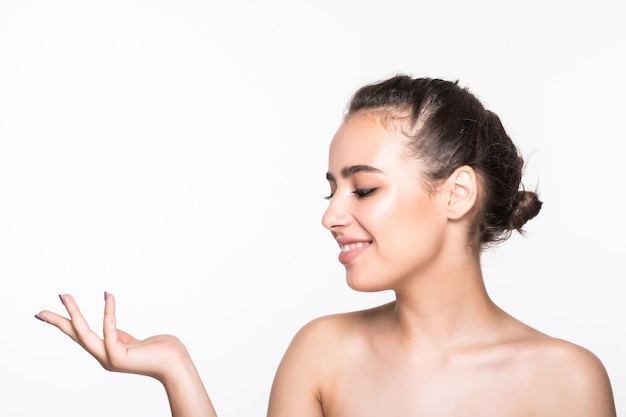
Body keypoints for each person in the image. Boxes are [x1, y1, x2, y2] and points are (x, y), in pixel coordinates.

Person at [35, 75, 616, 416]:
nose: (333, 215)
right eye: (332, 189)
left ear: (457, 193)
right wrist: (175, 369)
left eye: (363, 188)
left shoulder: (568, 381)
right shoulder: (324, 352)